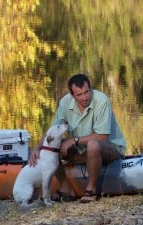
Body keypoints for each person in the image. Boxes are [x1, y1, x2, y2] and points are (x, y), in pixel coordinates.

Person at [28, 73, 126, 203]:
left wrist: (74, 141)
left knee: (93, 144)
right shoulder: (65, 102)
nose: (85, 97)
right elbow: (53, 131)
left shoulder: (102, 100)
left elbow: (102, 137)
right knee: (52, 147)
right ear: (72, 95)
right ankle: (66, 189)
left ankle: (91, 190)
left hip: (110, 148)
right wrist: (38, 148)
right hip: (83, 151)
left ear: (90, 88)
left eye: (87, 92)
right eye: (79, 95)